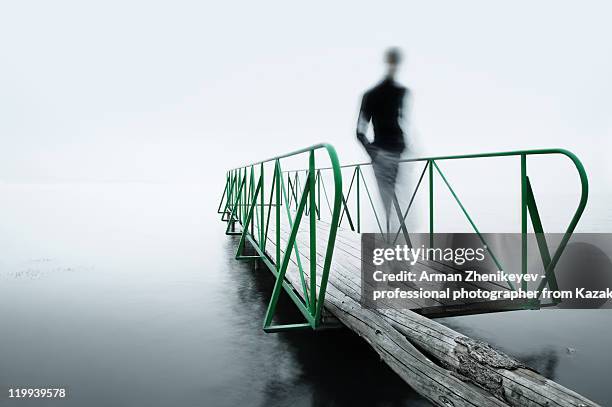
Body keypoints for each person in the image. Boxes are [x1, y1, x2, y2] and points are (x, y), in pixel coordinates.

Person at [356, 47, 410, 233]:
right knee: (389, 203)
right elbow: (359, 131)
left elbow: (400, 120)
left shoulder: (401, 92)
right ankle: (392, 246)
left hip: (398, 153)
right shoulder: (371, 95)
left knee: (399, 202)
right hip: (383, 153)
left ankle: (397, 245)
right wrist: (374, 152)